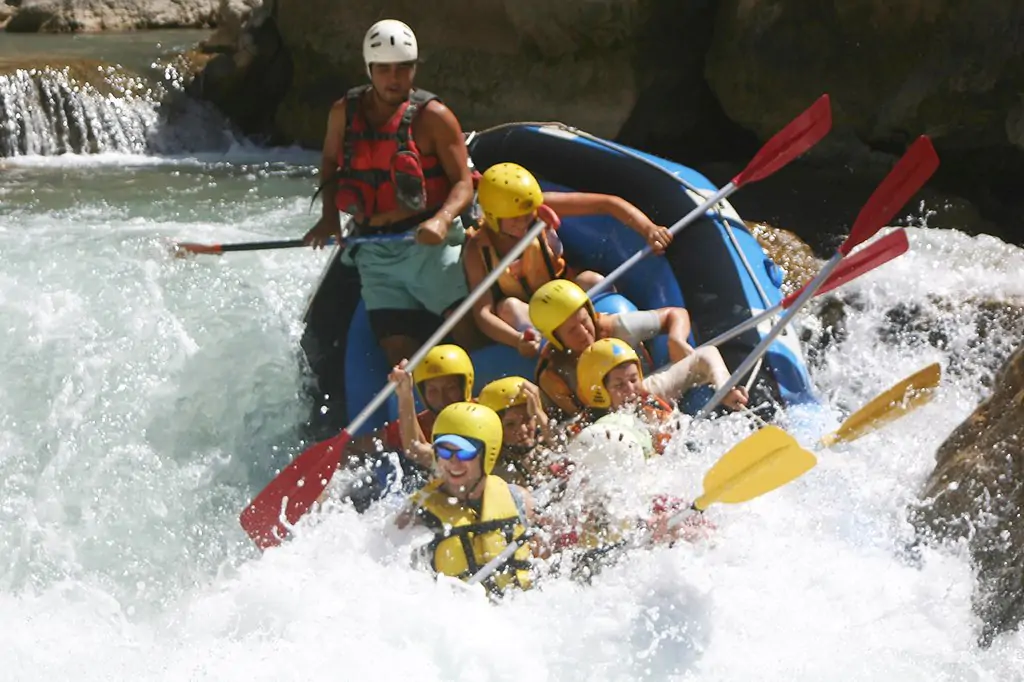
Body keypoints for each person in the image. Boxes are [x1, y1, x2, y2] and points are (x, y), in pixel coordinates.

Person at [303, 19, 482, 367]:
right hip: (374, 252)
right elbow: (329, 162)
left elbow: (464, 182)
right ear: (370, 69)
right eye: (384, 69)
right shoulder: (344, 112)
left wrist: (443, 221)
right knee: (396, 352)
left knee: (466, 329)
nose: (394, 78)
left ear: (414, 68)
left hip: (426, 242)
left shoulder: (434, 117)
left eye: (403, 68)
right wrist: (328, 218)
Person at [463, 162, 675, 359]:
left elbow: (607, 204)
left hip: (565, 295)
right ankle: (561, 355)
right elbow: (483, 314)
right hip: (531, 317)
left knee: (591, 279)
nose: (524, 223)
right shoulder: (476, 250)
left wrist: (649, 229)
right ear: (492, 216)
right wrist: (517, 340)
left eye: (527, 216)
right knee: (508, 307)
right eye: (515, 219)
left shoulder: (538, 208)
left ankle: (617, 335)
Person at [398, 402, 536, 595]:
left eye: (464, 452)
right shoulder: (415, 515)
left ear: (488, 453)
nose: (453, 461)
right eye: (444, 451)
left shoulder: (519, 499)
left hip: (514, 611)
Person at [528, 279, 694, 417]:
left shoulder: (615, 328)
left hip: (649, 389)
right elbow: (578, 420)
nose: (584, 333)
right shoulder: (554, 375)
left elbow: (676, 314)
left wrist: (676, 338)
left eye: (584, 321)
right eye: (572, 330)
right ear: (555, 338)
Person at [341, 344, 474, 509]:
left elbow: (416, 449)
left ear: (465, 385)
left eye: (451, 388)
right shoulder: (413, 425)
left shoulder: (485, 417)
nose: (442, 398)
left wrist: (405, 395)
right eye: (433, 390)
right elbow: (354, 447)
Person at [574, 338, 749, 456]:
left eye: (634, 379)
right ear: (599, 393)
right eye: (619, 385)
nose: (631, 389)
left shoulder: (649, 390)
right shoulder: (591, 433)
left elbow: (705, 355)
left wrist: (724, 387)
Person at [476, 375, 561, 489]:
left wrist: (538, 413)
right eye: (510, 425)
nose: (523, 430)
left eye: (528, 419)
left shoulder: (544, 447)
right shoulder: (495, 472)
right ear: (494, 429)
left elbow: (565, 450)